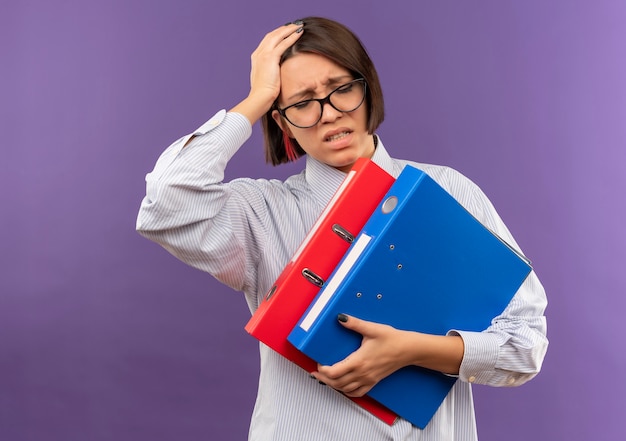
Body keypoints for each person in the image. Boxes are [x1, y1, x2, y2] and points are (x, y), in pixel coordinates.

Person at [136, 16, 548, 441]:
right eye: (301, 103)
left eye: (342, 89)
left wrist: (414, 350)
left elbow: (525, 343)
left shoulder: (449, 190)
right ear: (282, 122)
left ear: (367, 88)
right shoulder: (261, 212)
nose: (329, 114)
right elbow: (165, 203)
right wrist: (257, 98)